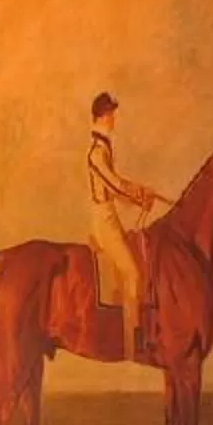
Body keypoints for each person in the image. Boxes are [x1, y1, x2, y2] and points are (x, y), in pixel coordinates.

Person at [86, 90, 165, 358]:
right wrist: (139, 190)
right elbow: (114, 184)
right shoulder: (96, 153)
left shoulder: (104, 148)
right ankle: (134, 342)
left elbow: (116, 192)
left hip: (111, 217)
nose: (113, 120)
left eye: (112, 114)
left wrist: (140, 200)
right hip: (104, 222)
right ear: (100, 117)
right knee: (133, 274)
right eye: (109, 115)